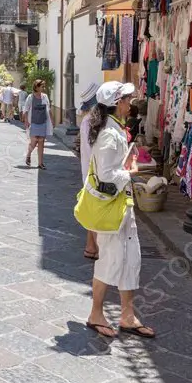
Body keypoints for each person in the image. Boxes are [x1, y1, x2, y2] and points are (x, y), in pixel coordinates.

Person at [85, 81, 155, 339]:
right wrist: (131, 171)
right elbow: (106, 174)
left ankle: (127, 315)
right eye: (126, 99)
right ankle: (95, 314)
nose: (130, 103)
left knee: (130, 259)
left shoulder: (113, 130)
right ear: (117, 103)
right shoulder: (109, 134)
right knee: (110, 261)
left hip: (121, 206)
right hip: (112, 208)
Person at [77, 81, 101, 260]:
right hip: (94, 171)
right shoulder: (92, 122)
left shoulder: (87, 120)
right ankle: (96, 247)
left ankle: (90, 247)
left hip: (88, 169)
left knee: (91, 208)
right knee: (96, 211)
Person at [22, 79, 51, 169]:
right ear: (37, 87)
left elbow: (48, 109)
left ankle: (40, 163)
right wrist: (26, 121)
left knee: (41, 142)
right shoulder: (31, 97)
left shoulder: (45, 96)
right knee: (34, 142)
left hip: (43, 122)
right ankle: (28, 154)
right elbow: (26, 110)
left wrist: (52, 120)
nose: (43, 88)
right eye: (42, 86)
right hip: (34, 123)